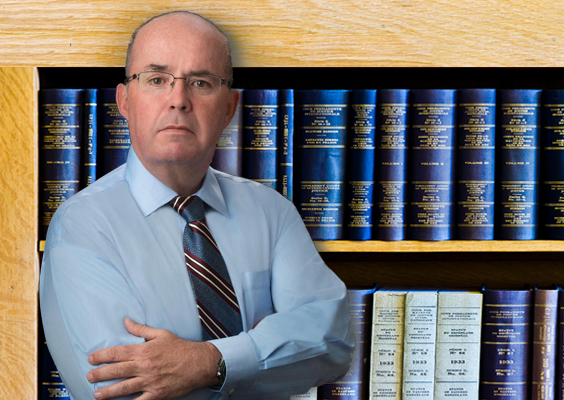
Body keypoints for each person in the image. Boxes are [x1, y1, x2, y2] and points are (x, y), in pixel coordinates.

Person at [40, 11, 354, 400]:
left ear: (229, 107)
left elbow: (331, 340)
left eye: (201, 83)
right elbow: (119, 387)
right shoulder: (82, 225)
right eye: (156, 79)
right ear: (124, 101)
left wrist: (209, 362)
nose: (178, 100)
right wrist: (267, 354)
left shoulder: (271, 212)